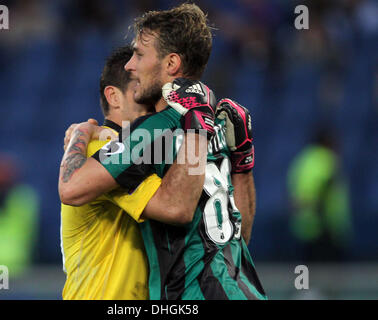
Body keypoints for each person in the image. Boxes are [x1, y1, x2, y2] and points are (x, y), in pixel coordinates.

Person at [59, 3, 266, 300]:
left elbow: (72, 188)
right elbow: (238, 236)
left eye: (139, 55)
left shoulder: (155, 130)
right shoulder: (213, 126)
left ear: (170, 64)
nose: (131, 65)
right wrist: (243, 166)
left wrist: (81, 130)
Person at [61, 45, 210, 299]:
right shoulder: (101, 150)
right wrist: (198, 128)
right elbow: (177, 208)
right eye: (138, 91)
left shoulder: (148, 153)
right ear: (114, 96)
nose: (152, 105)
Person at [287, 128, 353, 262]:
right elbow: (326, 187)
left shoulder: (302, 161)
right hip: (326, 228)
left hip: (304, 226)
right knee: (329, 275)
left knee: (307, 276)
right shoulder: (327, 159)